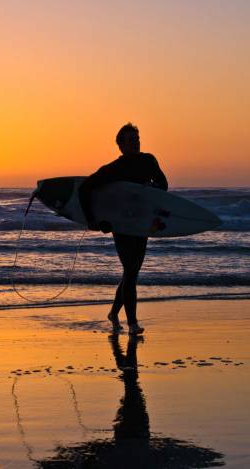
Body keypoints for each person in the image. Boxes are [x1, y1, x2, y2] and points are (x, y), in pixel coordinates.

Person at [79, 123, 168, 335]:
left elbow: (163, 184)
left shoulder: (149, 160)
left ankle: (113, 314)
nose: (136, 143)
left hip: (142, 223)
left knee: (132, 272)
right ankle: (133, 323)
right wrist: (91, 220)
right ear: (120, 146)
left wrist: (152, 188)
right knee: (130, 270)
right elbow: (85, 189)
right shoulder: (114, 168)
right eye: (130, 140)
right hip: (122, 224)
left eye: (137, 139)